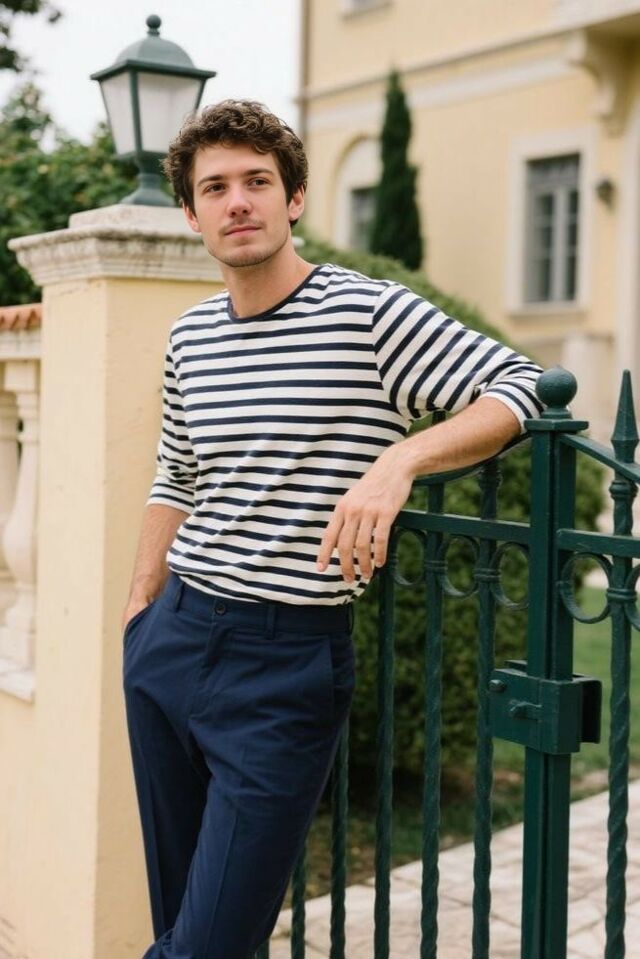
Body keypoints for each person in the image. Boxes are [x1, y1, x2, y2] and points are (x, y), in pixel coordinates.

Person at [121, 99, 543, 959]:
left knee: (207, 945)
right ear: (192, 214)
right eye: (215, 188)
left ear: (296, 197)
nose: (238, 201)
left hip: (284, 666)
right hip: (171, 642)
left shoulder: (370, 315)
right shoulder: (191, 335)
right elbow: (176, 473)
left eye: (257, 181)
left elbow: (523, 385)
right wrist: (139, 609)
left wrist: (400, 461)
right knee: (178, 919)